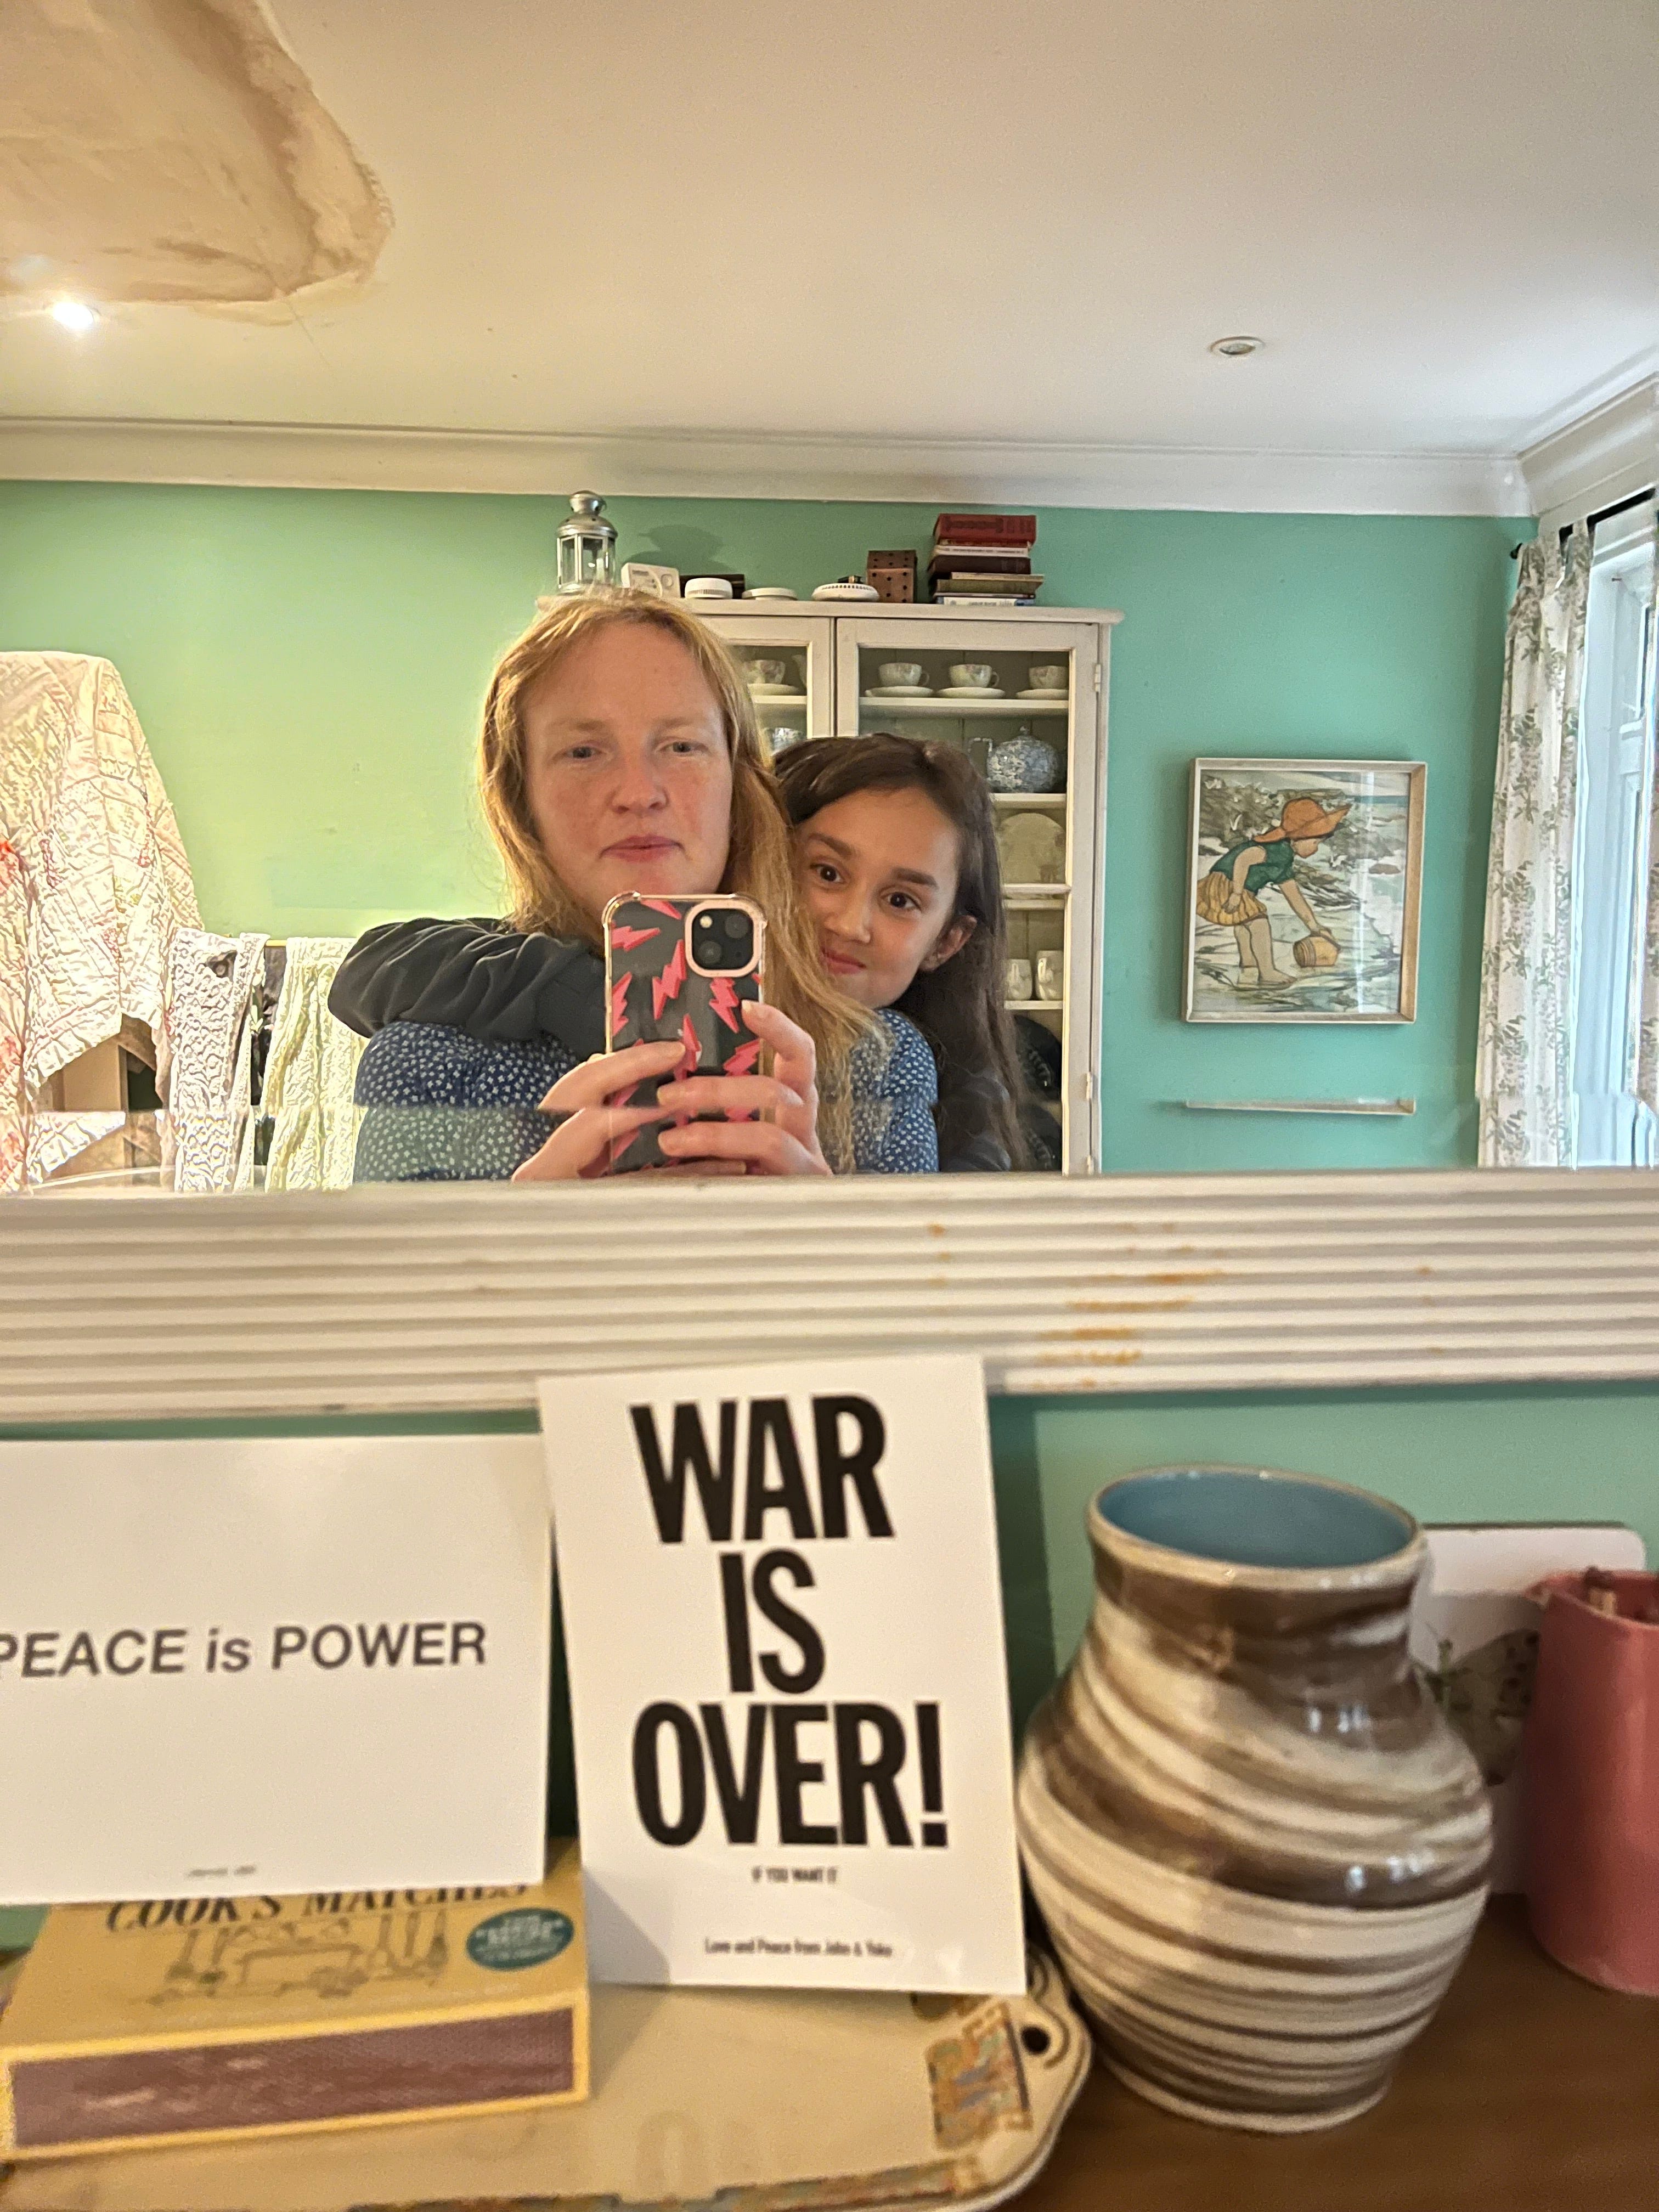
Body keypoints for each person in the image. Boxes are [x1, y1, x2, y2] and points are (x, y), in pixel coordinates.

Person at [343, 591, 938, 1182]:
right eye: (584, 752)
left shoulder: (872, 1061)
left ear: (738, 784)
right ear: (521, 800)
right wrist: (525, 1230)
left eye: (682, 746)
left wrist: (820, 1229)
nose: (639, 793)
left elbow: (932, 1249)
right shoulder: (431, 1065)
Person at [775, 735, 1027, 1171]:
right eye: (827, 873)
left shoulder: (894, 1059)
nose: (849, 925)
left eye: (900, 901)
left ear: (946, 941)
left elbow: (901, 1217)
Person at [1194, 794, 1349, 988]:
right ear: (1298, 838)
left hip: (1234, 886)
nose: (1316, 849)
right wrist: (1237, 893)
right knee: (1258, 922)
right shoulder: (1277, 850)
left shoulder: (1284, 861)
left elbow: (1295, 897)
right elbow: (1244, 859)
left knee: (1244, 924)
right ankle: (1267, 972)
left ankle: (1249, 966)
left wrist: (1315, 927)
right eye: (1315, 843)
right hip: (1227, 884)